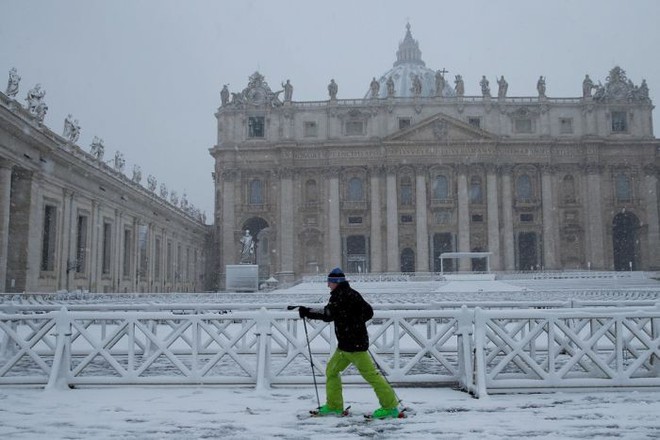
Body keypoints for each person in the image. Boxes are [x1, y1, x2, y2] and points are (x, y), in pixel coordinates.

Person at [297, 267, 401, 419]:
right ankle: (334, 405)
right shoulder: (353, 294)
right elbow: (368, 312)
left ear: (336, 283)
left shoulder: (340, 296)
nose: (327, 285)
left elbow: (328, 314)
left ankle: (390, 406)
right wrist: (355, 323)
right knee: (332, 371)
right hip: (347, 345)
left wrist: (307, 311)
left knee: (371, 375)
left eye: (329, 282)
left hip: (354, 346)